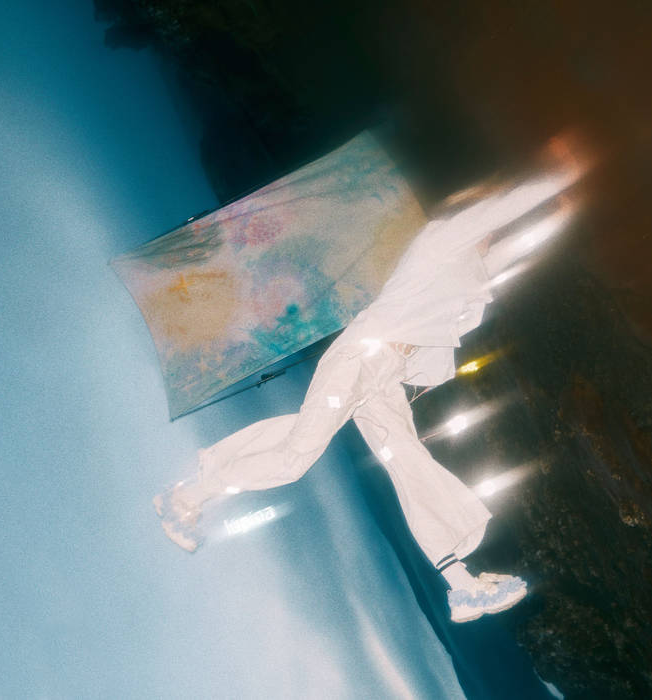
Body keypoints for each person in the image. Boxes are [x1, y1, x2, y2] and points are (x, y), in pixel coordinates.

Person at [155, 137, 587, 623]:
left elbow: (513, 249)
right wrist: (557, 176)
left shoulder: (466, 272)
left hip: (384, 378)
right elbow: (499, 210)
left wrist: (560, 213)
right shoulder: (441, 240)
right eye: (483, 224)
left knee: (406, 459)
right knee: (298, 453)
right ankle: (185, 497)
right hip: (360, 358)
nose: (489, 233)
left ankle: (461, 586)